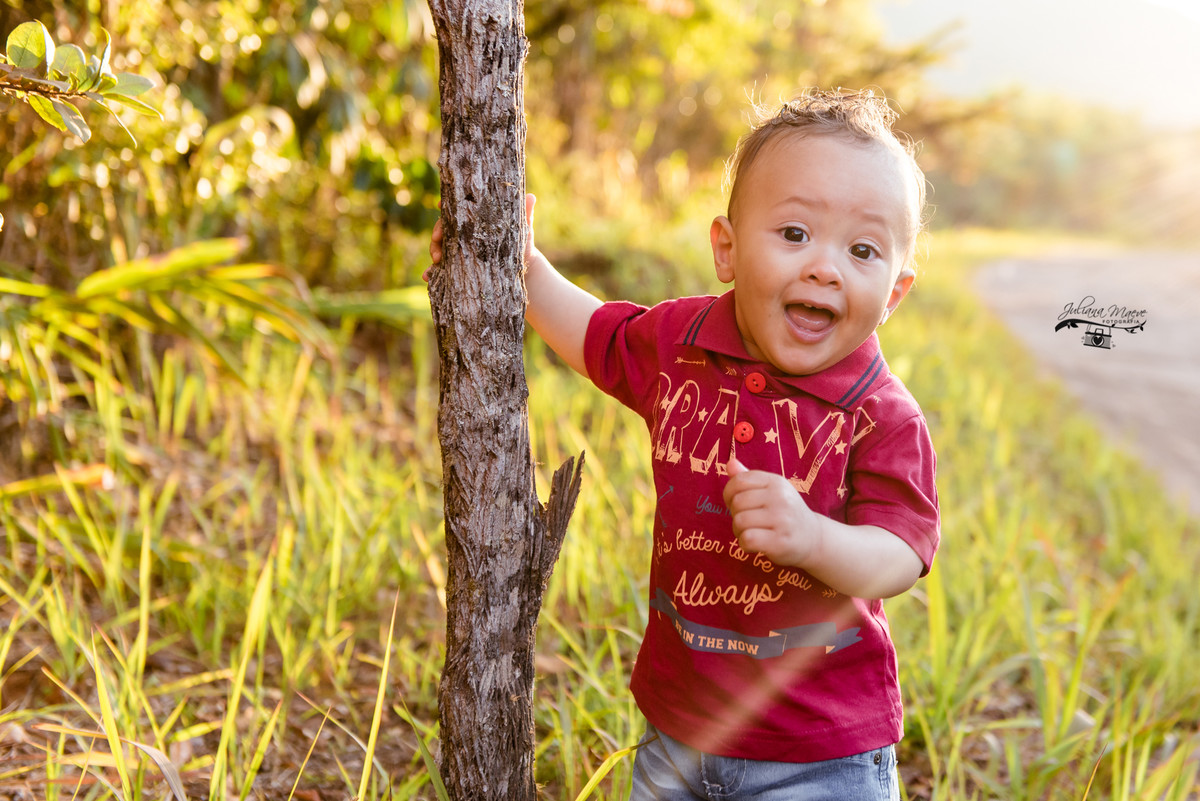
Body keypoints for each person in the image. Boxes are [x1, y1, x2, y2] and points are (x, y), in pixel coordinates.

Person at [428, 89, 940, 801]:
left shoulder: (881, 414)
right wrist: (525, 271)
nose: (825, 267)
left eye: (862, 250)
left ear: (893, 292)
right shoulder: (681, 345)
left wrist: (812, 537)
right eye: (794, 234)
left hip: (819, 749)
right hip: (678, 730)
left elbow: (900, 553)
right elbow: (596, 337)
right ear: (726, 249)